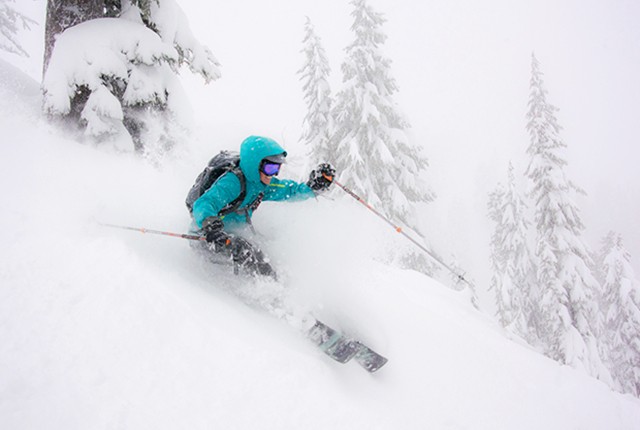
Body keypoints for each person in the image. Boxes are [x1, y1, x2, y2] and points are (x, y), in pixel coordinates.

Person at [190, 135, 335, 278]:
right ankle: (260, 293)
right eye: (270, 168)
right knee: (249, 254)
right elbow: (204, 203)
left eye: (277, 168)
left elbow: (289, 190)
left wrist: (312, 188)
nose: (274, 174)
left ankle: (277, 286)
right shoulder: (232, 183)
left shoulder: (261, 185)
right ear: (255, 164)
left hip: (234, 233)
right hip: (206, 238)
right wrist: (212, 229)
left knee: (267, 249)